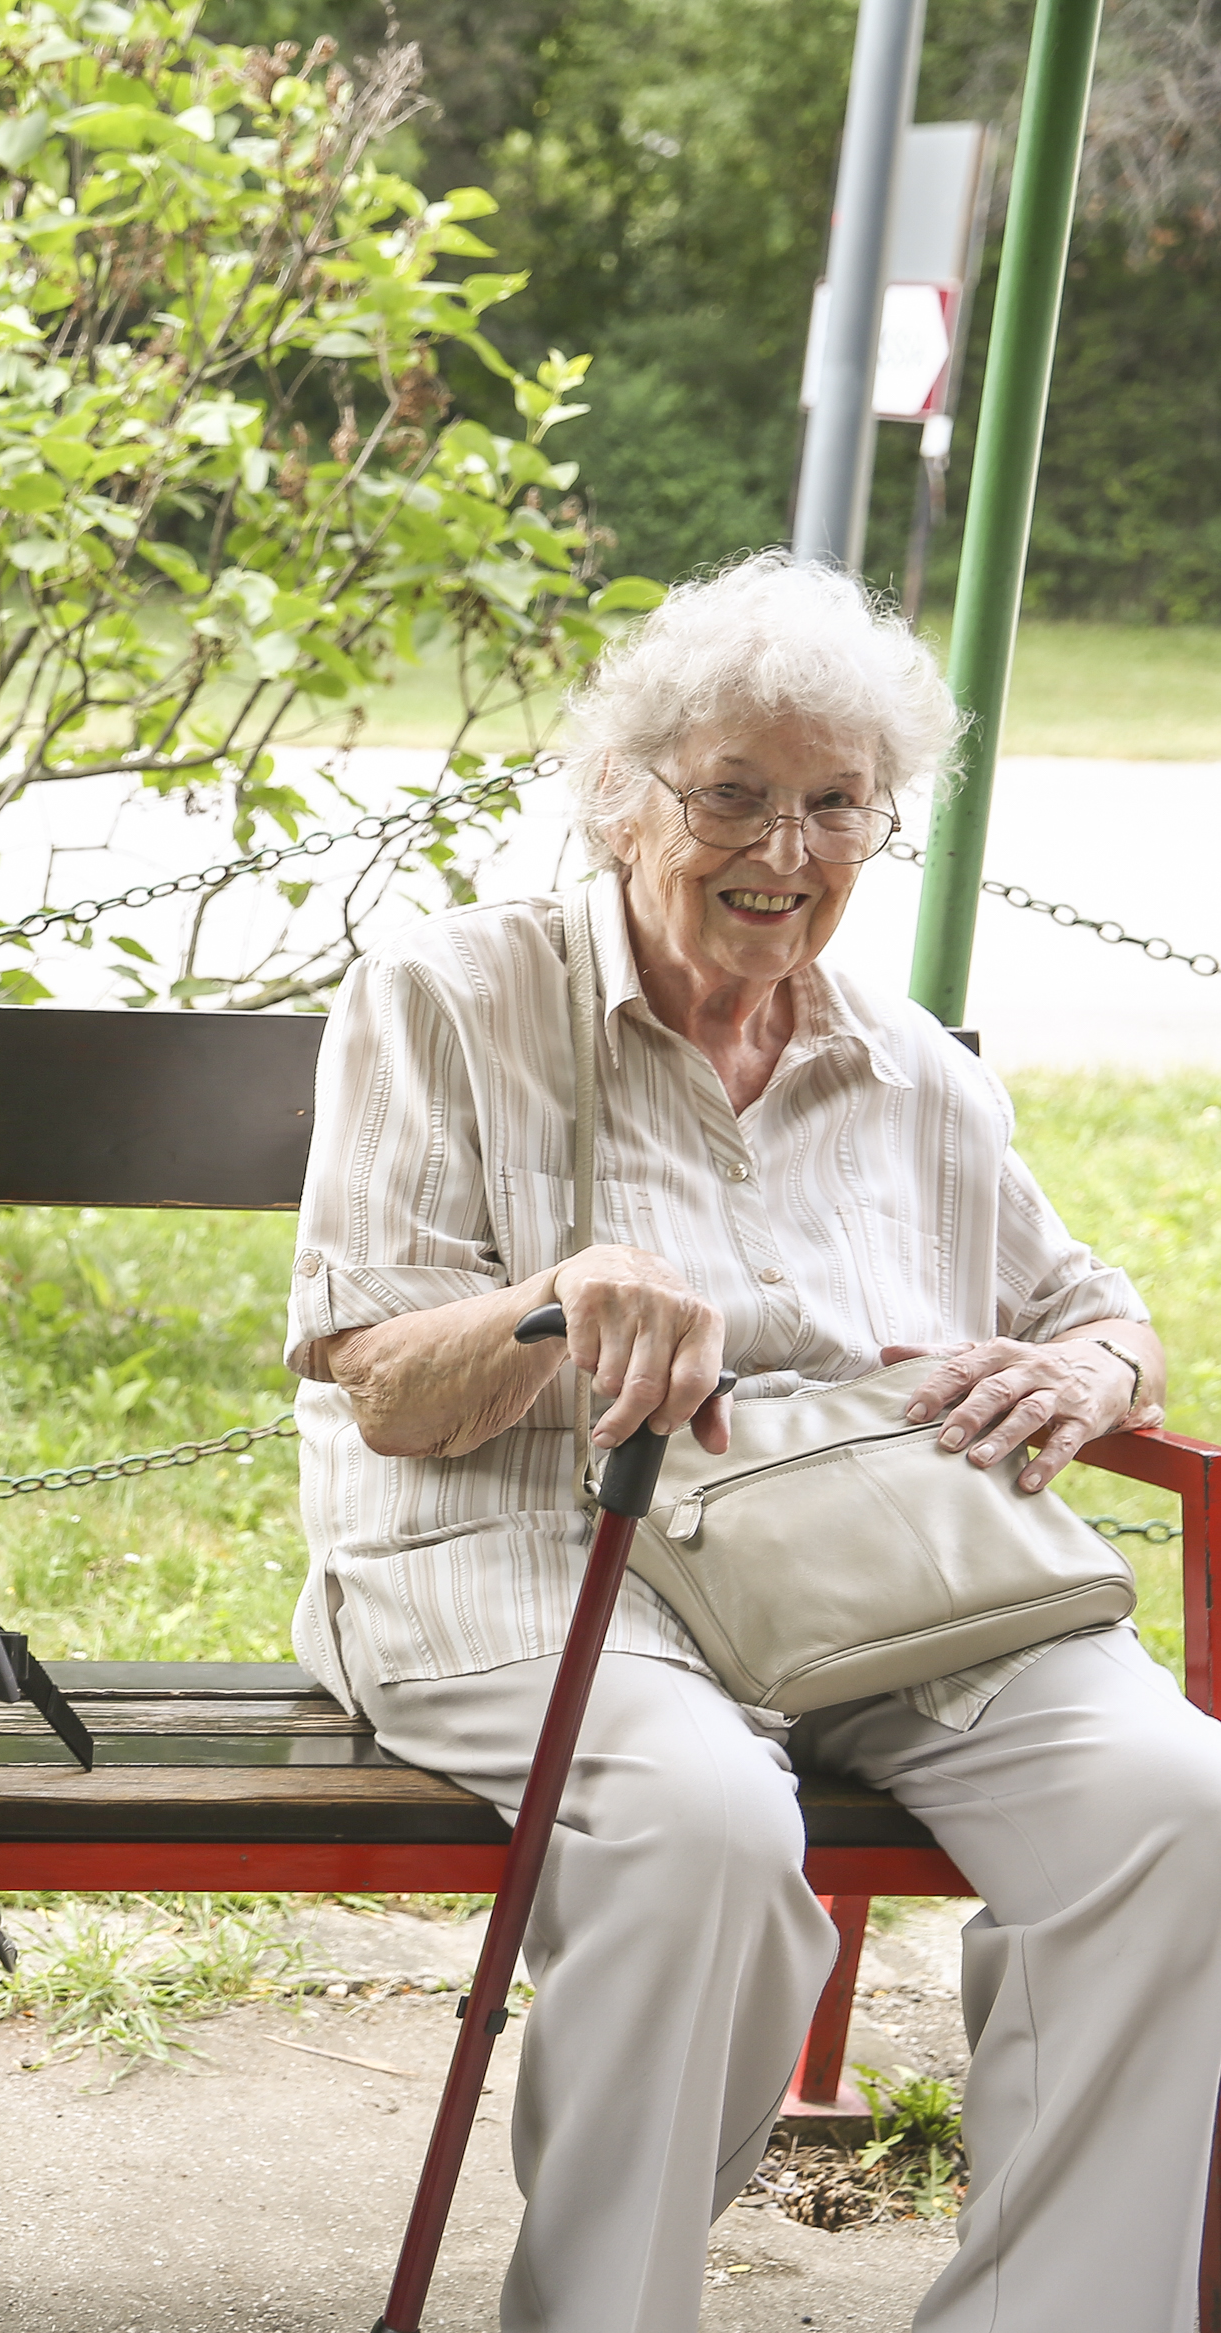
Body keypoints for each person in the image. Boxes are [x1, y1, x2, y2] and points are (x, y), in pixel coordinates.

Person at [286, 550, 1212, 2331]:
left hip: (874, 1574)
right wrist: (558, 1299)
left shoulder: (912, 1066)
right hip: (535, 1551)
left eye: (834, 808)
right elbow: (380, 1385)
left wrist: (1093, 1374)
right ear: (620, 802)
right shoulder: (448, 998)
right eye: (732, 796)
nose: (783, 854)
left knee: (1184, 1813)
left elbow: (1095, 1305)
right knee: (706, 1826)